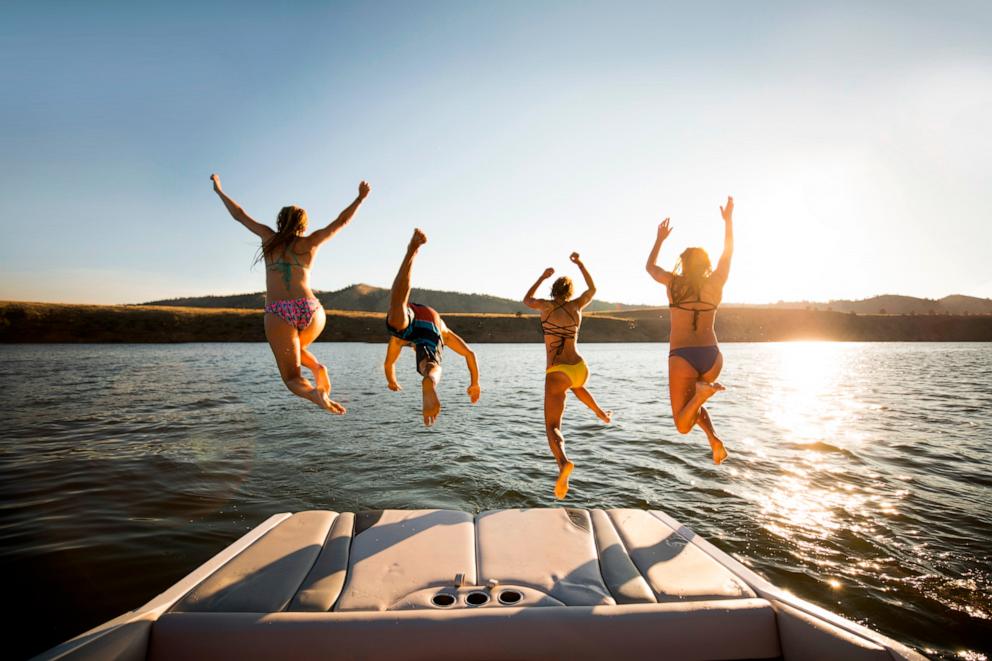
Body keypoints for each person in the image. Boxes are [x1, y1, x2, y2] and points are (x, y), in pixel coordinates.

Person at [211, 173, 370, 413]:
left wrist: (220, 191)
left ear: (279, 222)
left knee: (291, 376)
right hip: (312, 310)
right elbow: (341, 222)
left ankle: (314, 393)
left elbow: (240, 214)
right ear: (303, 225)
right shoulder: (311, 242)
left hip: (278, 312)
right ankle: (317, 368)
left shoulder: (268, 238)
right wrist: (359, 199)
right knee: (296, 349)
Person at [645, 196, 734, 464]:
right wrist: (728, 222)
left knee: (683, 424)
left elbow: (650, 268)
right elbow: (727, 253)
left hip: (683, 356)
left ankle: (701, 394)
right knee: (693, 401)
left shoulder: (674, 284)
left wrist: (660, 239)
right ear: (705, 265)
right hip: (712, 357)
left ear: (684, 263)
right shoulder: (716, 282)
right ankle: (713, 437)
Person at [524, 252, 611, 500]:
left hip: (557, 369)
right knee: (574, 386)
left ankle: (563, 463)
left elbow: (526, 299)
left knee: (552, 426)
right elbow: (593, 288)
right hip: (580, 367)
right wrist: (581, 264)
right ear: (570, 292)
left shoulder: (546, 306)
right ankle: (599, 412)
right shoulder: (576, 306)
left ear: (553, 290)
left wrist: (541, 276)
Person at [384, 229, 481, 426]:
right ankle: (430, 379)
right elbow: (470, 354)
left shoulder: (399, 339)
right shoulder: (443, 333)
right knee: (431, 364)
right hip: (435, 324)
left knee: (397, 306)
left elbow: (389, 365)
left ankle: (411, 252)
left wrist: (392, 381)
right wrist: (474, 382)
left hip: (410, 315)